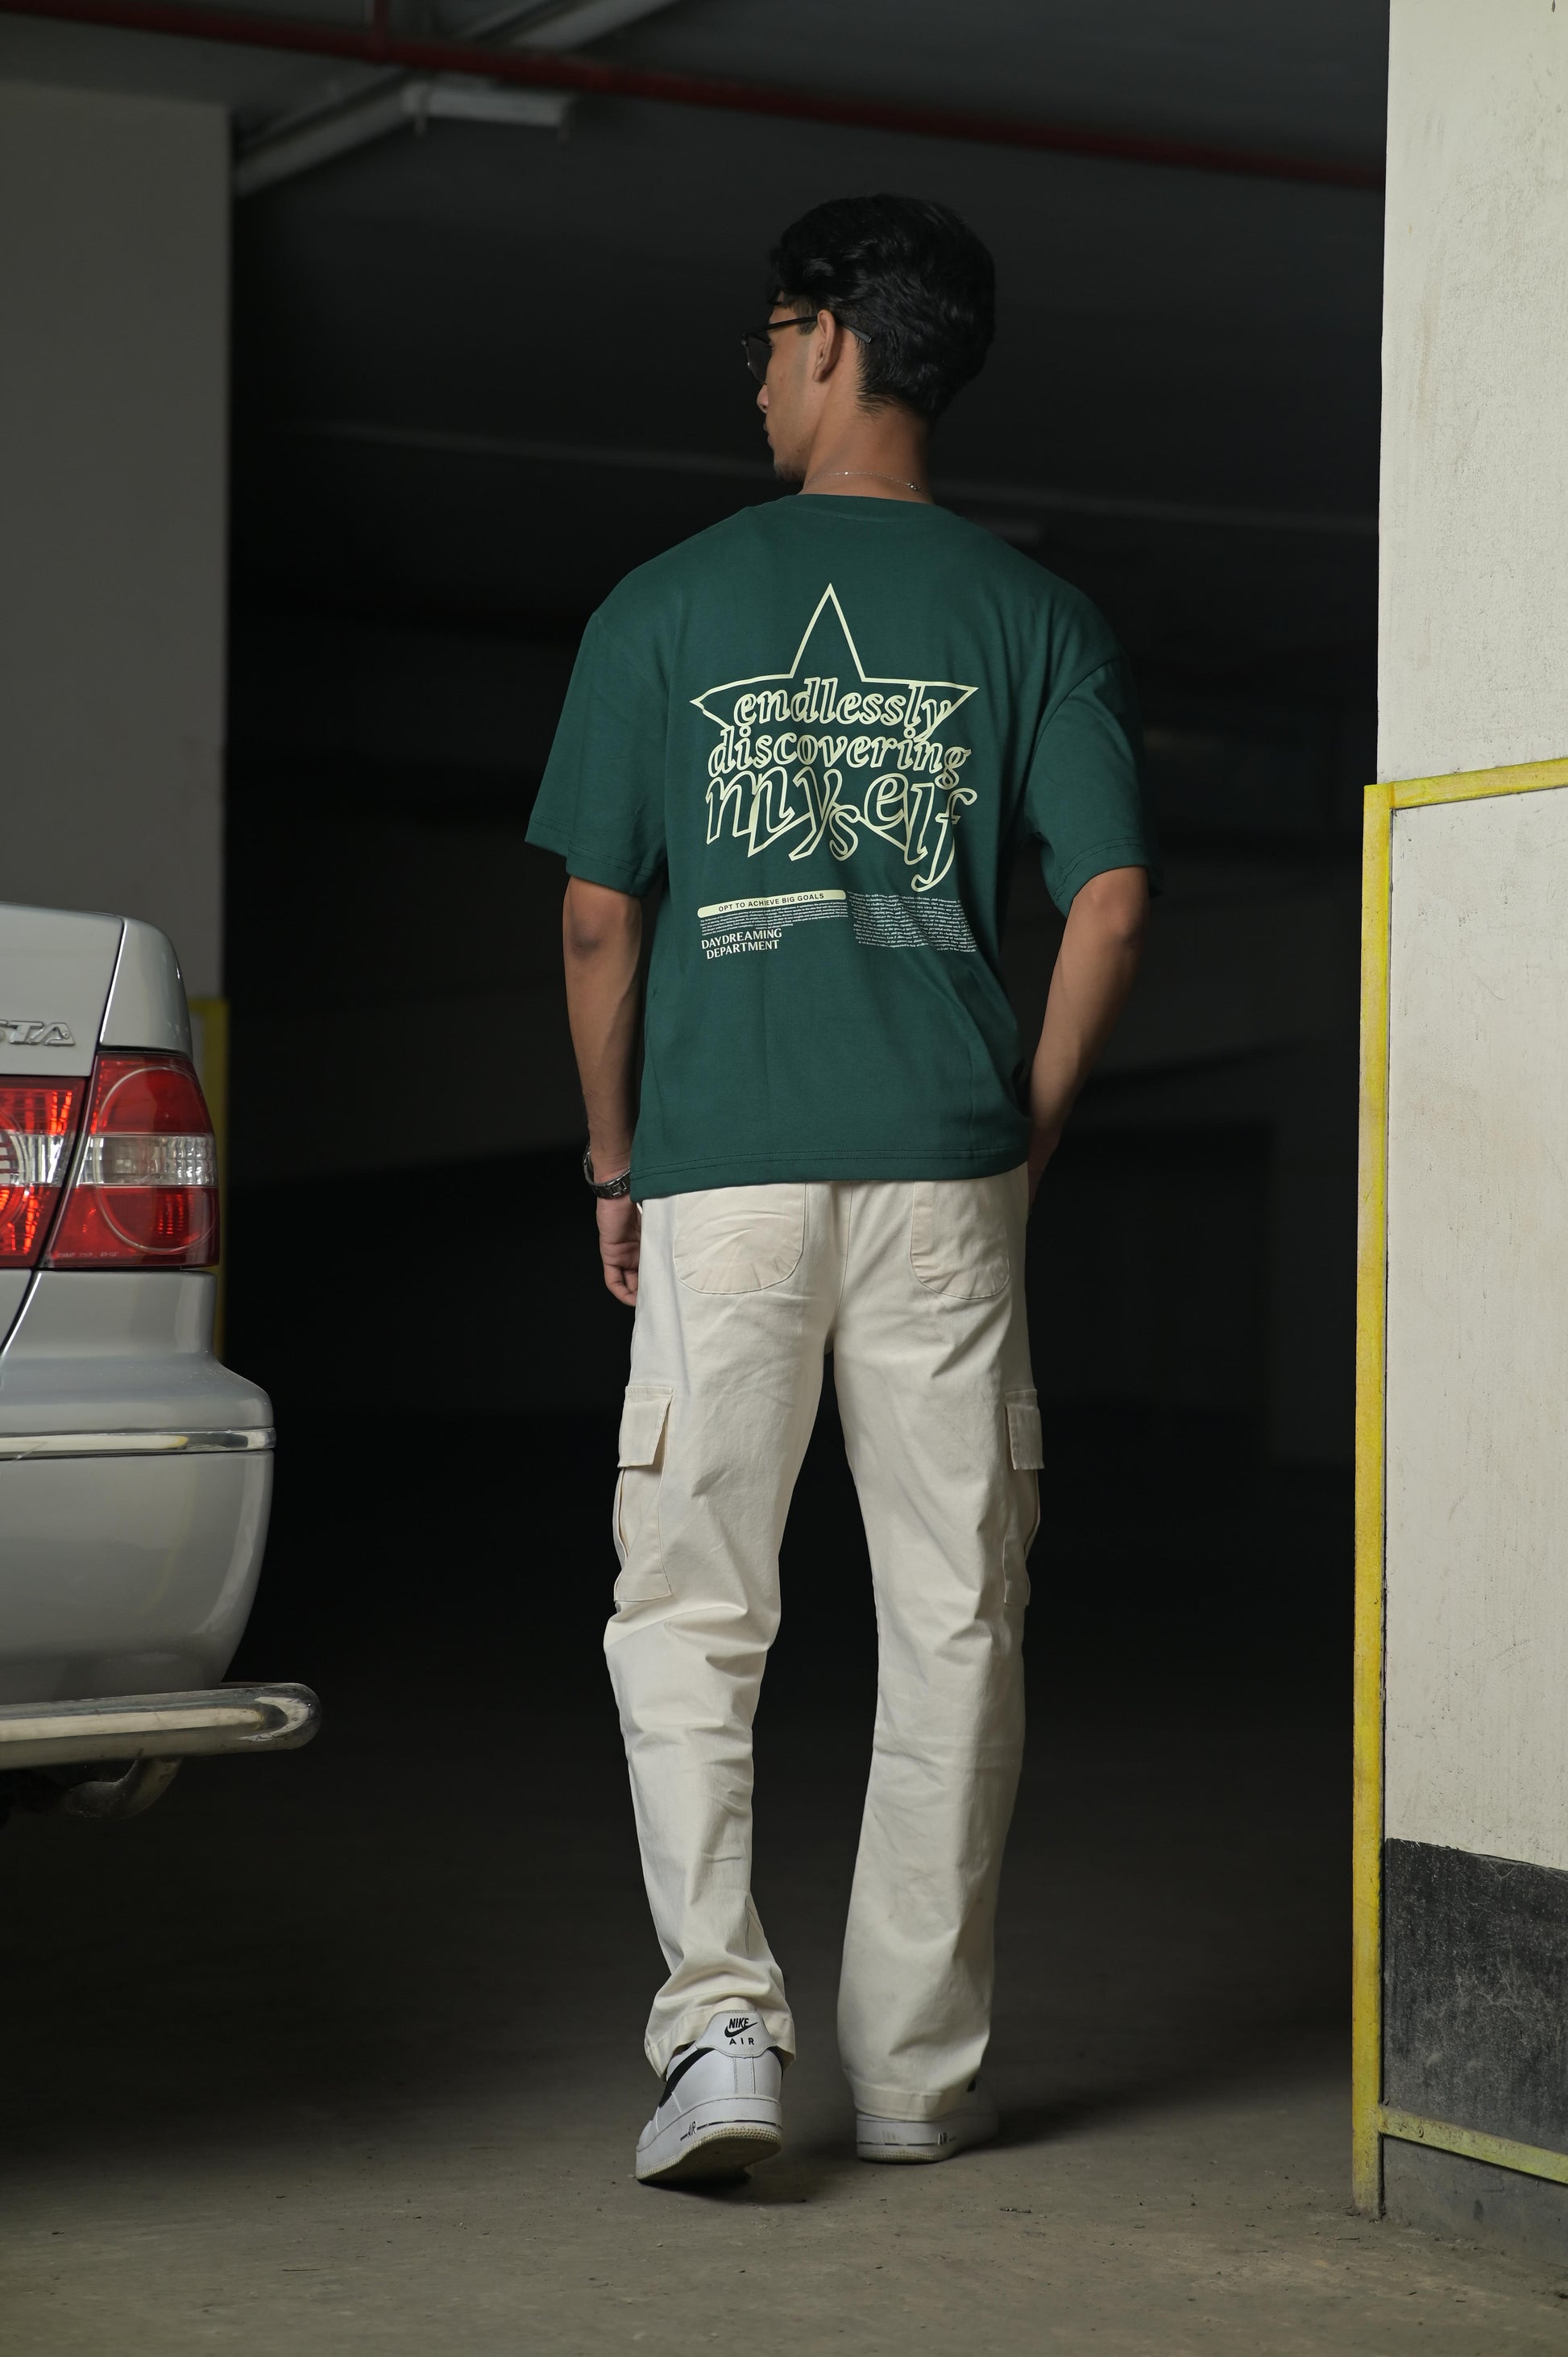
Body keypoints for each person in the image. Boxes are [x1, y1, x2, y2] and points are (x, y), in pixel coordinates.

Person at [525, 193, 1156, 2187]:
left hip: (722, 1174)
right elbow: (1110, 903)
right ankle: (914, 2076)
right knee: (955, 1609)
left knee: (692, 1604)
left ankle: (719, 2029)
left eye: (765, 344)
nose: (759, 384)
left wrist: (615, 1161)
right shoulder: (1033, 616)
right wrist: (1023, 1126)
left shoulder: (664, 604)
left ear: (821, 337)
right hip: (942, 1175)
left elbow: (600, 920)